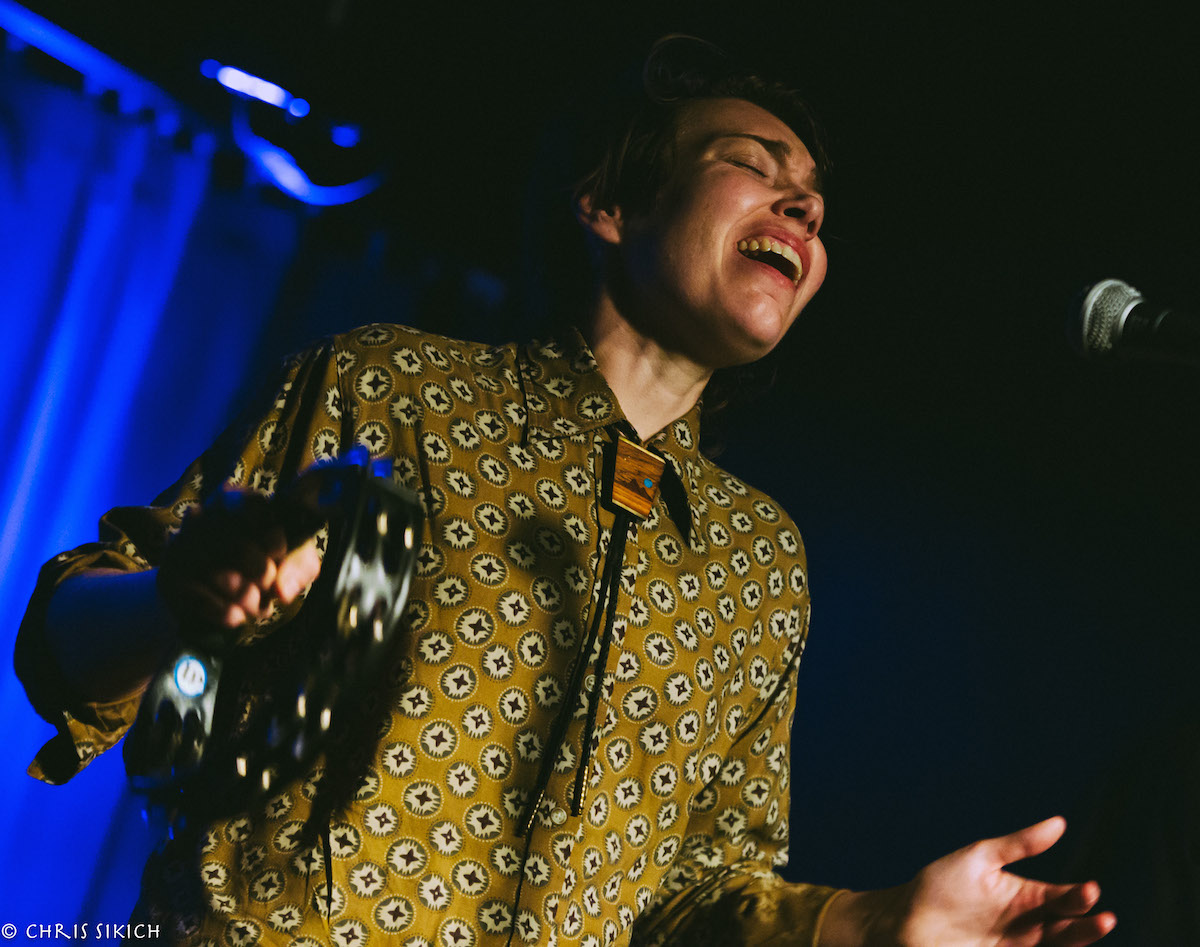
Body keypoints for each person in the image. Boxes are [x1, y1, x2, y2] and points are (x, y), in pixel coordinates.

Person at [16, 36, 1116, 947]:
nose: (805, 206)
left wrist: (873, 922)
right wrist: (175, 602)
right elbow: (64, 636)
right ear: (610, 205)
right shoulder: (390, 386)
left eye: (817, 202)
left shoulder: (761, 558)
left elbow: (696, 894)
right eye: (755, 164)